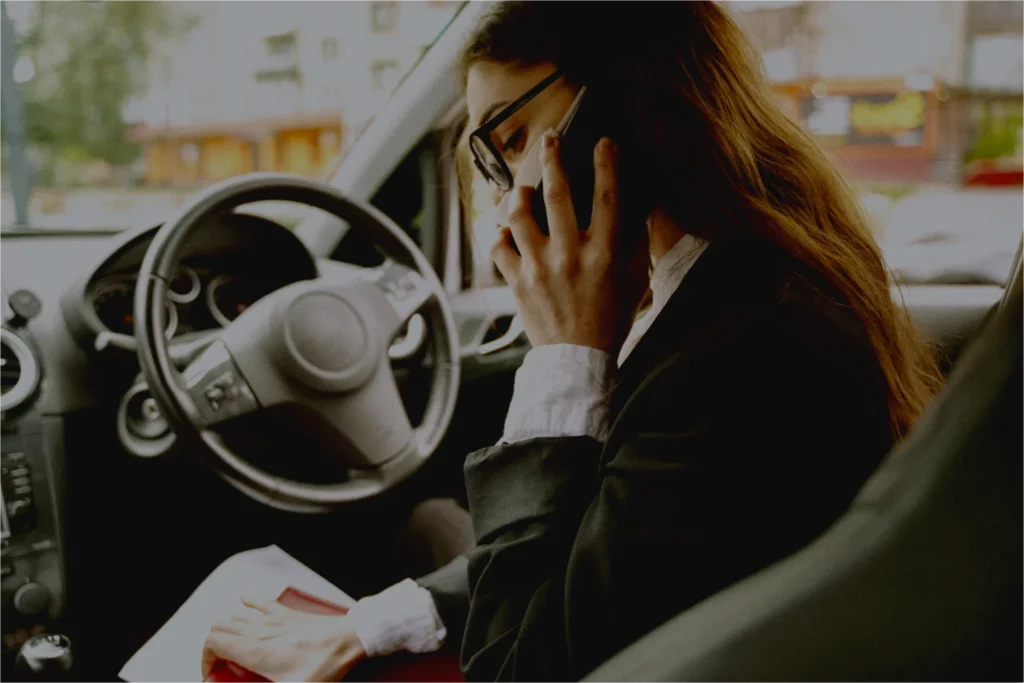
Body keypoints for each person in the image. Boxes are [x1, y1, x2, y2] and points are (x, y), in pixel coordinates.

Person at [200, 0, 943, 681]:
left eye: (513, 140)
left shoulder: (747, 350)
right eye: (491, 163)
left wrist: (565, 358)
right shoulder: (721, 282)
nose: (504, 198)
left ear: (625, 94)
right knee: (428, 529)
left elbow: (516, 662)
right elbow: (608, 538)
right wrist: (366, 624)